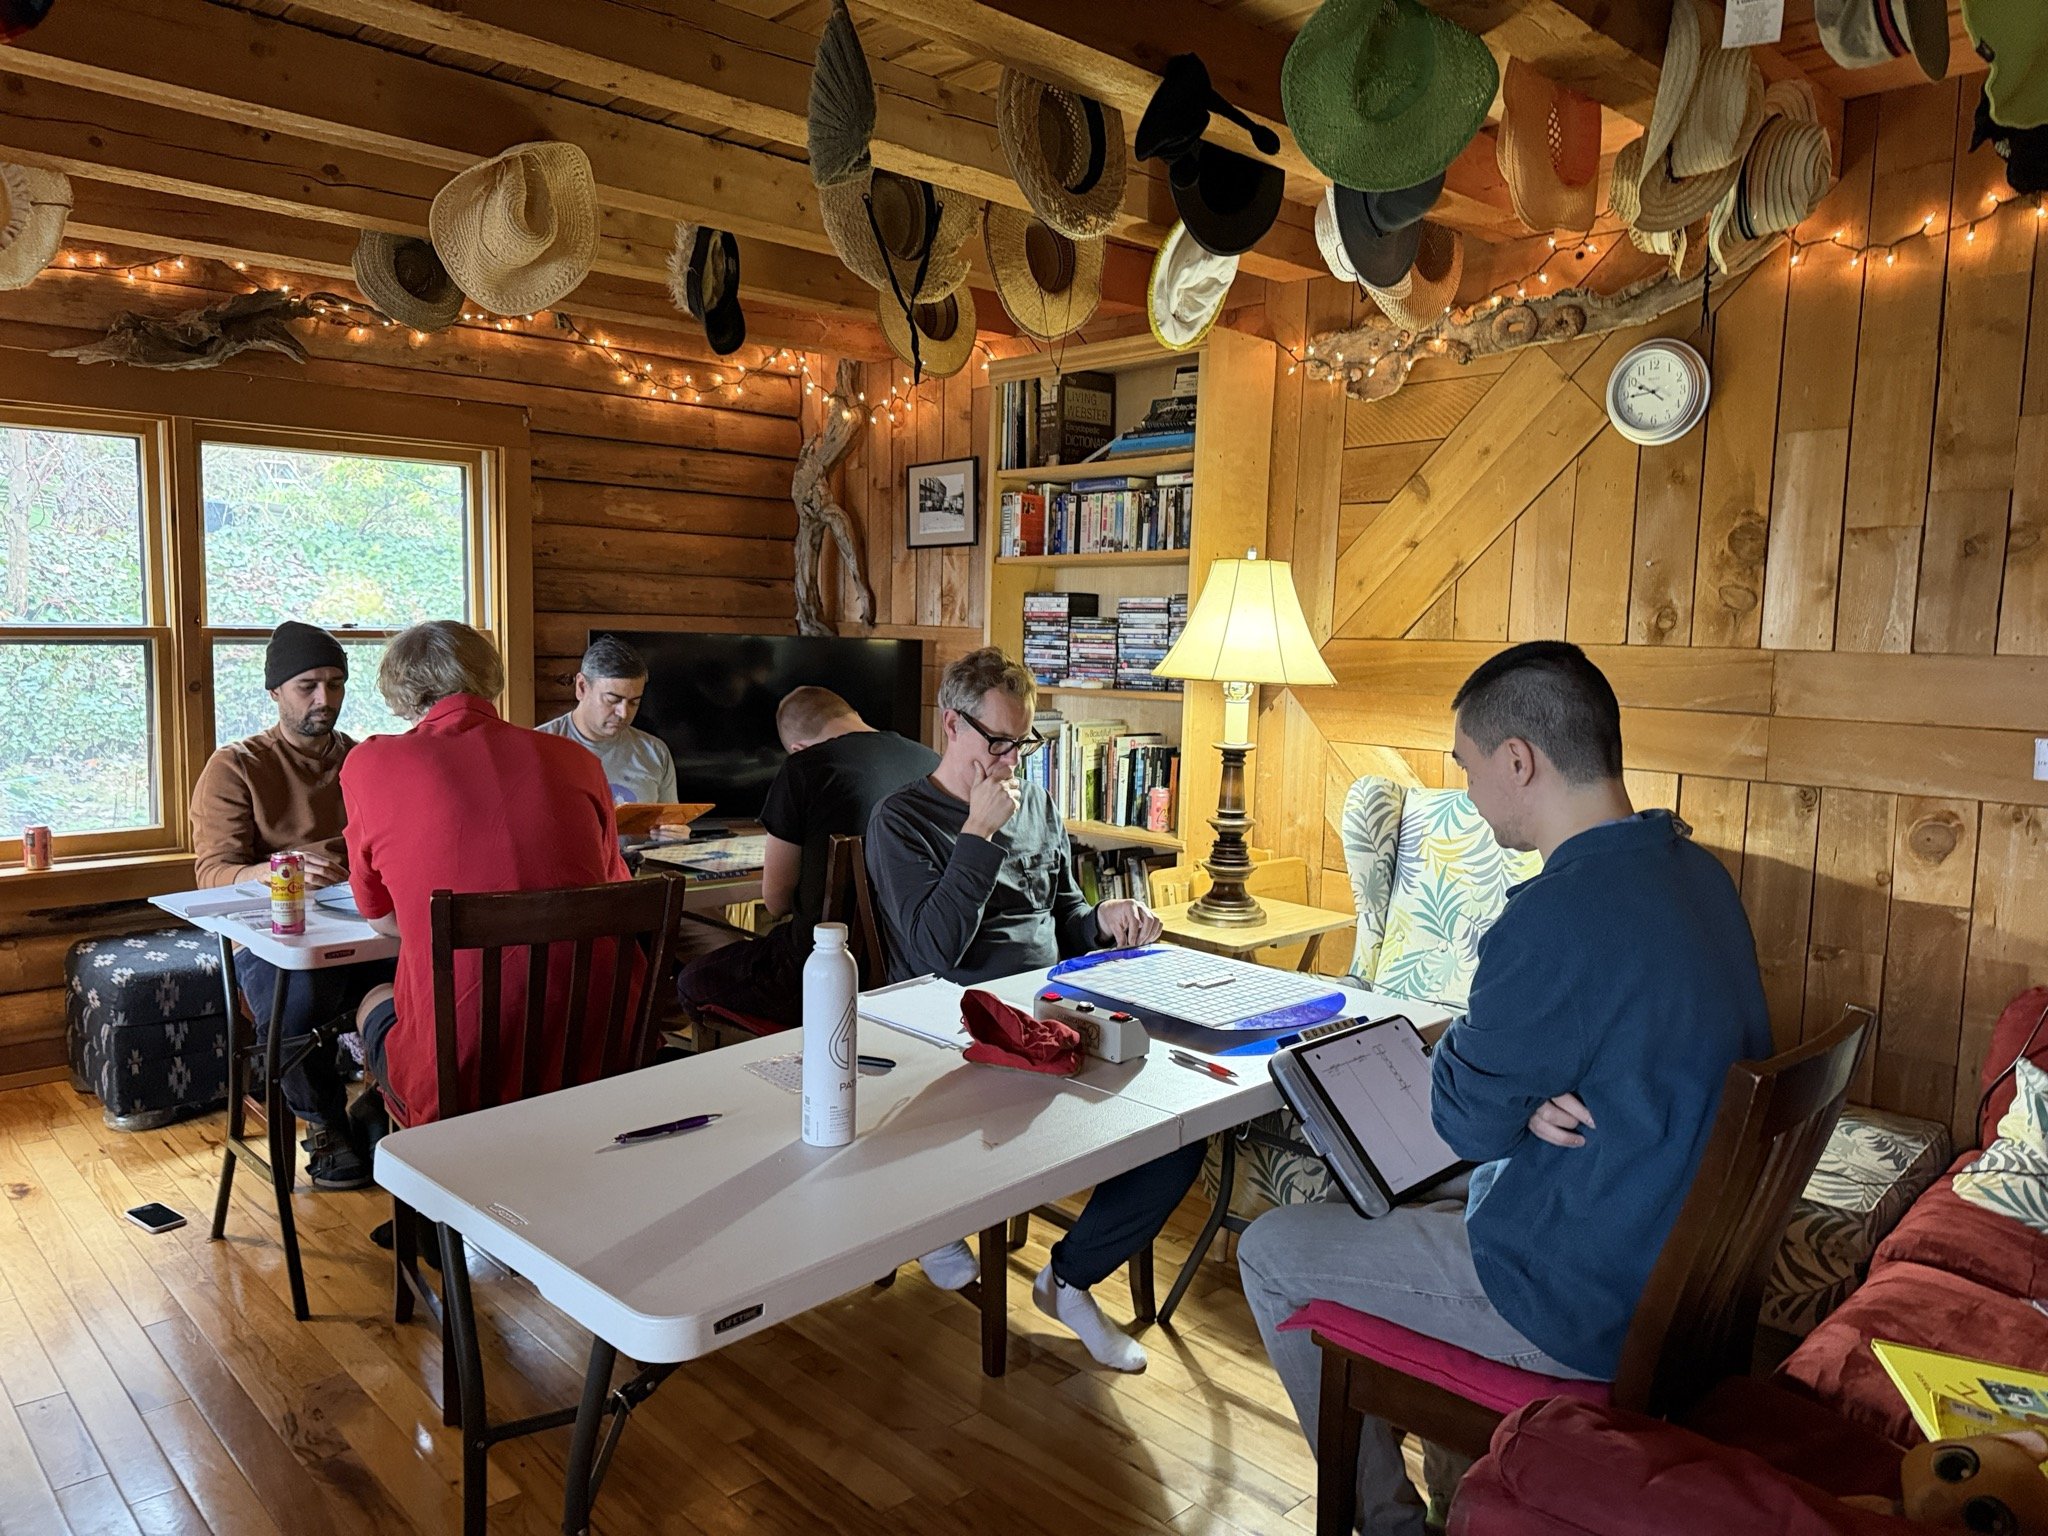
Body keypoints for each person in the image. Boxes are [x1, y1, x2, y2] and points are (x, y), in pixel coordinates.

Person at [1237, 641, 1772, 1535]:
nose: (1471, 791)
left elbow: (1463, 1119)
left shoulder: (1556, 913)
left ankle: (1390, 1526)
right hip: (1667, 1253)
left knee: (1271, 1250)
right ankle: (1463, 1498)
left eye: (1468, 766)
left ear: (1518, 760)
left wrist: (1504, 1093)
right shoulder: (1696, 872)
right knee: (1382, 1192)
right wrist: (1528, 1097)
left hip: (1576, 1296)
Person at [865, 647, 1198, 1374]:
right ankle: (928, 1212)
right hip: (959, 1027)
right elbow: (933, 950)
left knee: (1183, 1126)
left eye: (1024, 741)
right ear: (951, 725)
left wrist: (1104, 917)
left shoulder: (1036, 804)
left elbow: (1064, 915)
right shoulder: (901, 819)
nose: (1012, 760)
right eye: (998, 742)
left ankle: (1069, 1281)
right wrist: (978, 835)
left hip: (1052, 1013)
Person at [343, 621, 638, 1130]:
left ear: (401, 690)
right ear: (490, 678)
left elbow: (382, 919)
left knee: (374, 1000)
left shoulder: (370, 763)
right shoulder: (578, 760)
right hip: (599, 1046)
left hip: (461, 1071)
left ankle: (398, 1156)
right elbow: (615, 890)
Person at [190, 621, 394, 1191]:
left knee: (436, 974)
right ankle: (323, 1122)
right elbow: (212, 875)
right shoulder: (236, 766)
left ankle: (386, 1102)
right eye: (308, 686)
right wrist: (279, 872)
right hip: (272, 933)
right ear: (276, 691)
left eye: (335, 683)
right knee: (297, 996)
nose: (324, 698)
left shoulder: (364, 760)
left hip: (361, 924)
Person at [674, 686, 936, 1026]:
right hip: (912, 969)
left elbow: (776, 901)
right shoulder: (930, 761)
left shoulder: (805, 767)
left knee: (692, 981)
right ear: (852, 716)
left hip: (817, 973)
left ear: (797, 748)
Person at [537, 635, 677, 805]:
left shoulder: (655, 752)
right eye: (612, 700)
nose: (623, 713)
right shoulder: (537, 747)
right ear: (581, 687)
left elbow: (670, 817)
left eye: (634, 702)